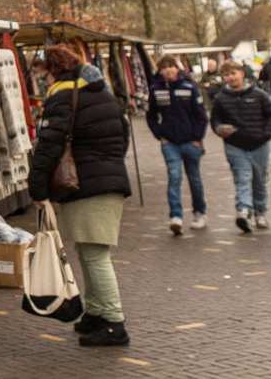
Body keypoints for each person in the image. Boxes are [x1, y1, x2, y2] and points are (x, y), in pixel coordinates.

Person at [27, 44, 132, 348]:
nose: (41, 80)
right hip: (106, 180)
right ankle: (97, 312)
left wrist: (38, 187)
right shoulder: (101, 92)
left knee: (95, 255)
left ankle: (114, 321)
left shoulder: (63, 96)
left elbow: (49, 145)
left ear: (52, 69)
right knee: (89, 251)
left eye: (41, 73)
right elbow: (122, 136)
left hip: (86, 184)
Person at [210, 60, 271, 233]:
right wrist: (220, 129)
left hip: (259, 145)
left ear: (241, 73)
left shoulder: (259, 94)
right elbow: (215, 120)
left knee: (259, 180)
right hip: (235, 144)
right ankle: (243, 210)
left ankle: (260, 212)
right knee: (242, 177)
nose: (230, 77)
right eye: (226, 75)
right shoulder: (220, 99)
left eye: (233, 73)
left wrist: (266, 135)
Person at [146, 55, 209, 235]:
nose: (168, 70)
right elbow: (151, 115)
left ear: (177, 68)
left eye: (171, 66)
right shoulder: (156, 89)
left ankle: (200, 212)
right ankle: (176, 216)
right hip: (170, 142)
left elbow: (201, 115)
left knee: (194, 179)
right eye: (164, 67)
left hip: (191, 142)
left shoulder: (189, 87)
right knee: (174, 177)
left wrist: (197, 137)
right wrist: (160, 134)